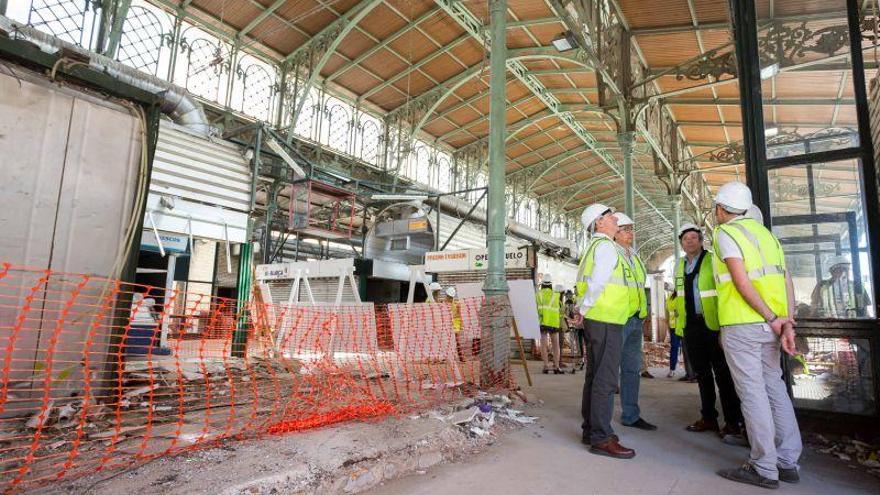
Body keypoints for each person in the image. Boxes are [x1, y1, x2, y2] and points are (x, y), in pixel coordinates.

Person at [712, 181, 802, 488]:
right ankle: (787, 460)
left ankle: (763, 466)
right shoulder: (768, 237)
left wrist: (770, 317)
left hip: (744, 324)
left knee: (752, 393)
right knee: (774, 388)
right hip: (773, 326)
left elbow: (741, 281)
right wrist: (785, 321)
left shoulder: (727, 233)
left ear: (721, 209)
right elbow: (786, 282)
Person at [576, 204, 635, 459]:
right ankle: (601, 437)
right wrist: (585, 307)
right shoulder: (606, 247)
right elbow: (598, 282)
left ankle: (590, 429)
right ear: (599, 224)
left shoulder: (592, 247)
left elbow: (588, 282)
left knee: (594, 375)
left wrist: (582, 310)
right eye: (610, 217)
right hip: (606, 318)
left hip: (597, 319)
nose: (615, 219)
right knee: (606, 379)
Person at [675, 222, 744, 439]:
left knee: (723, 375)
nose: (690, 242)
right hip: (691, 326)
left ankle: (733, 422)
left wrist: (725, 324)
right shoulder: (679, 265)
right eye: (686, 239)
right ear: (681, 243)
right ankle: (708, 418)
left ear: (701, 240)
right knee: (702, 374)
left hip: (713, 325)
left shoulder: (713, 260)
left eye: (694, 238)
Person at [612, 212, 657, 431]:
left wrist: (644, 312)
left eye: (631, 229)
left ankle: (630, 414)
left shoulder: (634, 255)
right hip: (617, 319)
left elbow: (638, 288)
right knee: (607, 370)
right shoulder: (610, 254)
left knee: (631, 370)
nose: (631, 233)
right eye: (626, 229)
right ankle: (596, 419)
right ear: (614, 233)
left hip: (635, 320)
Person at [535, 274, 564, 374]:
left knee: (543, 345)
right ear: (551, 284)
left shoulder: (538, 295)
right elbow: (560, 309)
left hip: (542, 322)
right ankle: (556, 367)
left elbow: (536, 309)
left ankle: (546, 366)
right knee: (556, 345)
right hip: (553, 323)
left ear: (542, 284)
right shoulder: (556, 295)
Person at [667, 289, 682, 378]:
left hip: (674, 327)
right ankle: (691, 373)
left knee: (674, 349)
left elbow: (667, 314)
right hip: (682, 326)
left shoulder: (670, 298)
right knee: (686, 350)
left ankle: (672, 370)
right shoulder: (681, 297)